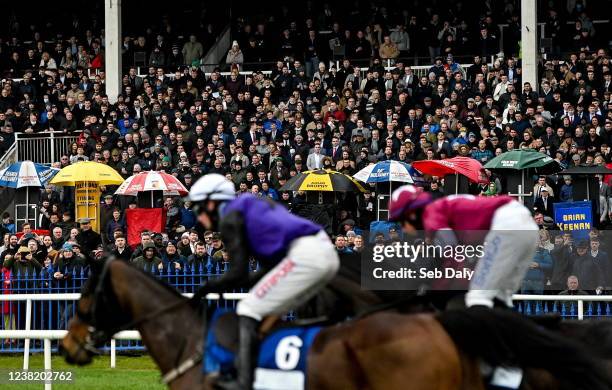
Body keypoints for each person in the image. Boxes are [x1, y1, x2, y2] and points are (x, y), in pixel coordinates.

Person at [189, 174, 339, 390]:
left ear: (211, 203)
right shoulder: (249, 205)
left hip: (305, 256)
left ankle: (243, 382)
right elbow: (264, 271)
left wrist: (206, 288)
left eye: (197, 210)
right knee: (266, 311)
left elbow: (237, 273)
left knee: (249, 308)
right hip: (321, 251)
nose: (199, 219)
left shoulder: (230, 216)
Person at [388, 185, 539, 308]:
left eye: (402, 223)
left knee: (478, 298)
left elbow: (452, 254)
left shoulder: (431, 214)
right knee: (500, 298)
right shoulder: (441, 209)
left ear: (412, 215)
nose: (403, 229)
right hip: (527, 225)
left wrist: (434, 290)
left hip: (507, 225)